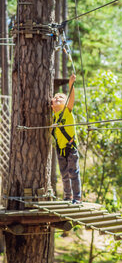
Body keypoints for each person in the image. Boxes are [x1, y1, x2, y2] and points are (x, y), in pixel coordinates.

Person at [51, 74, 82, 204]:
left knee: (73, 173)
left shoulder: (67, 112)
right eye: (55, 97)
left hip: (71, 147)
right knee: (64, 174)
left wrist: (71, 85)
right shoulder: (53, 117)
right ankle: (67, 196)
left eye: (61, 97)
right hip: (60, 149)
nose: (57, 97)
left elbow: (71, 99)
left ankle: (77, 197)